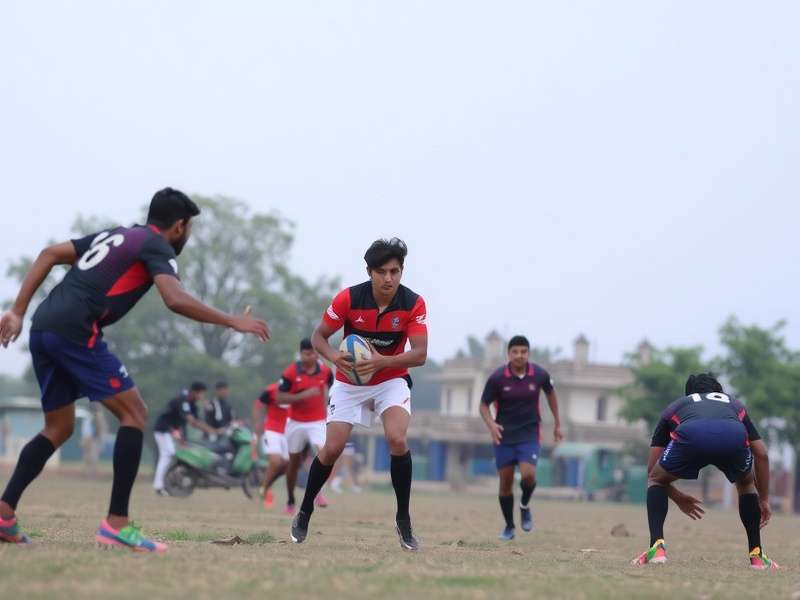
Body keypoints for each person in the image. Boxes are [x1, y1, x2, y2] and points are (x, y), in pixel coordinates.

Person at [0, 188, 269, 551]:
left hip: (44, 325)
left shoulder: (117, 235)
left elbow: (50, 254)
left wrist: (17, 310)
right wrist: (231, 321)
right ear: (180, 226)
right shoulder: (155, 244)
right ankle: (117, 523)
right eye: (188, 230)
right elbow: (174, 299)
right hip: (76, 331)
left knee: (59, 427)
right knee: (135, 412)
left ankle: (4, 514)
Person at [291, 237, 427, 551]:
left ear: (401, 272)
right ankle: (305, 509)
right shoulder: (348, 299)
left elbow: (420, 354)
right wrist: (333, 356)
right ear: (369, 272)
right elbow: (318, 337)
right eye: (382, 272)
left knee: (397, 439)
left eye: (395, 271)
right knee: (332, 449)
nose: (389, 278)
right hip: (350, 381)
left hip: (391, 380)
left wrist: (384, 362)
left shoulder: (413, 303)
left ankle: (403, 519)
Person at [631, 373, 779, 570]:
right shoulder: (734, 404)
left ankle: (657, 547)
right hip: (733, 436)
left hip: (691, 435)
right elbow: (762, 454)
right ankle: (757, 555)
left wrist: (677, 497)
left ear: (689, 394)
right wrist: (764, 499)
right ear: (719, 392)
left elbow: (653, 471)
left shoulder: (677, 406)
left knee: (657, 480)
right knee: (746, 484)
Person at [479, 335, 562, 541]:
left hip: (529, 433)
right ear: (508, 354)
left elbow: (551, 394)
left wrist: (557, 423)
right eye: (515, 352)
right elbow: (483, 405)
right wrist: (491, 425)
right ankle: (509, 526)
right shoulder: (497, 378)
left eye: (523, 352)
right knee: (505, 482)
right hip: (504, 435)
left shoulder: (539, 375)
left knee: (528, 476)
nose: (519, 356)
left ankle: (525, 505)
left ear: (528, 353)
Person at [279, 338, 334, 515]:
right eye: (305, 353)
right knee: (293, 464)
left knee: (323, 452)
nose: (309, 357)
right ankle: (290, 500)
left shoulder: (325, 371)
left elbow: (335, 391)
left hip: (317, 421)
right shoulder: (290, 372)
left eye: (312, 353)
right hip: (295, 422)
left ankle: (318, 493)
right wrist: (301, 396)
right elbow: (280, 398)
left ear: (317, 353)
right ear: (301, 353)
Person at [153, 382, 222, 496]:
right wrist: (211, 430)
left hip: (172, 431)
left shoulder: (192, 404)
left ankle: (168, 481)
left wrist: (210, 429)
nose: (202, 397)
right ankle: (159, 486)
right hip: (163, 429)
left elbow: (195, 422)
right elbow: (191, 421)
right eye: (201, 394)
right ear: (195, 392)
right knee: (168, 453)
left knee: (176, 453)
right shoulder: (183, 400)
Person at [251, 382, 289, 509]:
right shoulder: (272, 390)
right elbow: (258, 405)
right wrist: (258, 425)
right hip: (271, 430)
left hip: (288, 432)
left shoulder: (298, 390)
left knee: (286, 466)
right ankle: (265, 490)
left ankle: (265, 484)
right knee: (275, 461)